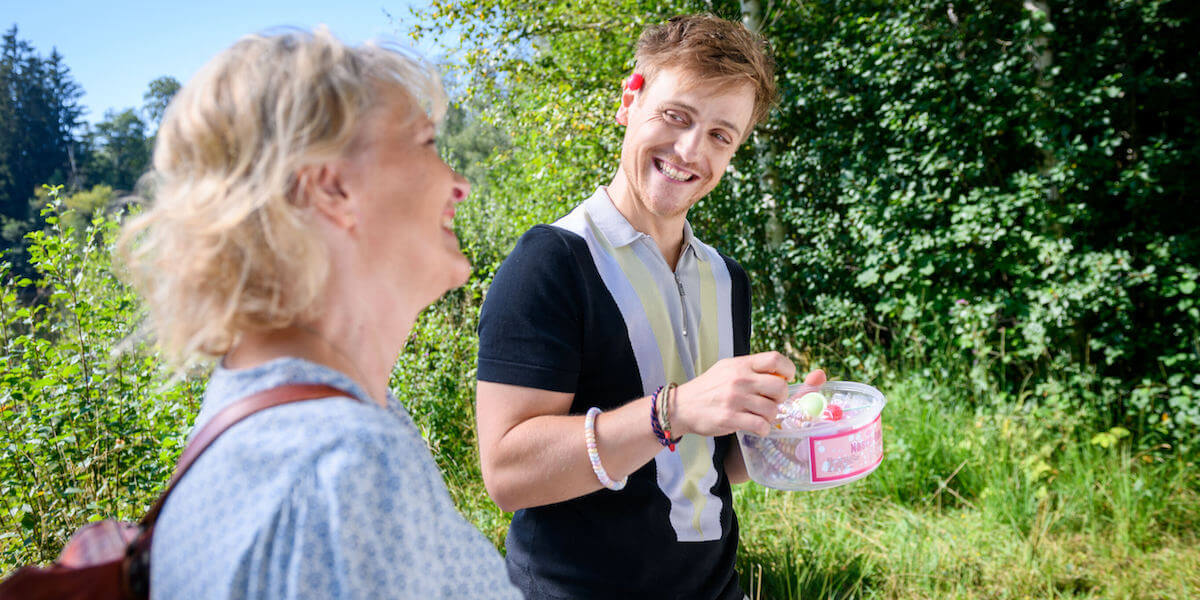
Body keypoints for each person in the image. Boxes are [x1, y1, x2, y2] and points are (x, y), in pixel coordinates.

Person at [118, 28, 522, 599]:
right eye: (427, 142)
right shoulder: (344, 466)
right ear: (331, 188)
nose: (458, 184)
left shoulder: (268, 414)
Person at [476, 13, 826, 600]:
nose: (691, 150)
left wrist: (783, 429)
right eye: (676, 116)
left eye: (720, 135)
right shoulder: (551, 262)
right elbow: (508, 475)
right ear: (629, 100)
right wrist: (675, 411)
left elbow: (712, 463)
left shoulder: (726, 278)